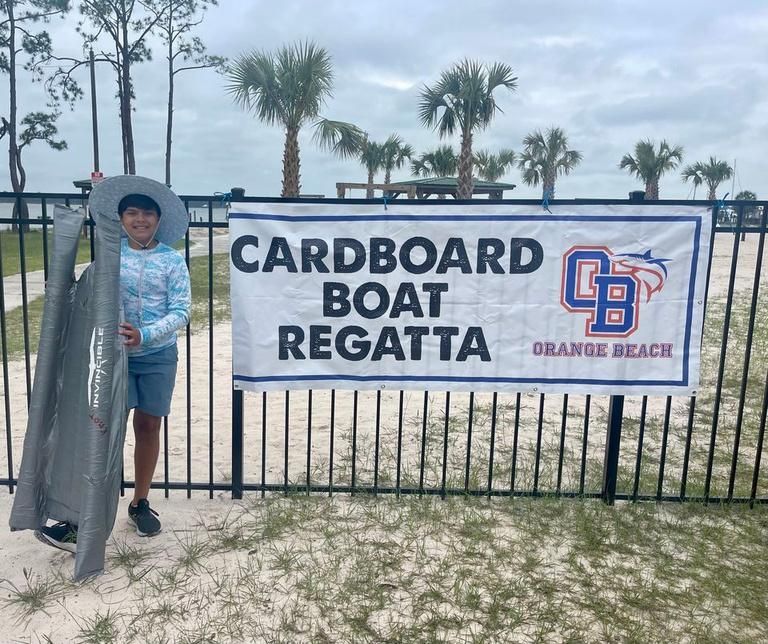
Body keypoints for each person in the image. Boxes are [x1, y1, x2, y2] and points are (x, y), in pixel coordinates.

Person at [36, 176, 190, 551]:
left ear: (158, 220)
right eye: (132, 213)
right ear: (121, 219)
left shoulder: (172, 259)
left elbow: (182, 310)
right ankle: (82, 518)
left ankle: (140, 503)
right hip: (109, 358)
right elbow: (86, 295)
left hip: (156, 356)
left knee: (148, 426)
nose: (140, 219)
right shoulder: (110, 255)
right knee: (102, 433)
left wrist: (146, 334)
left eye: (147, 214)